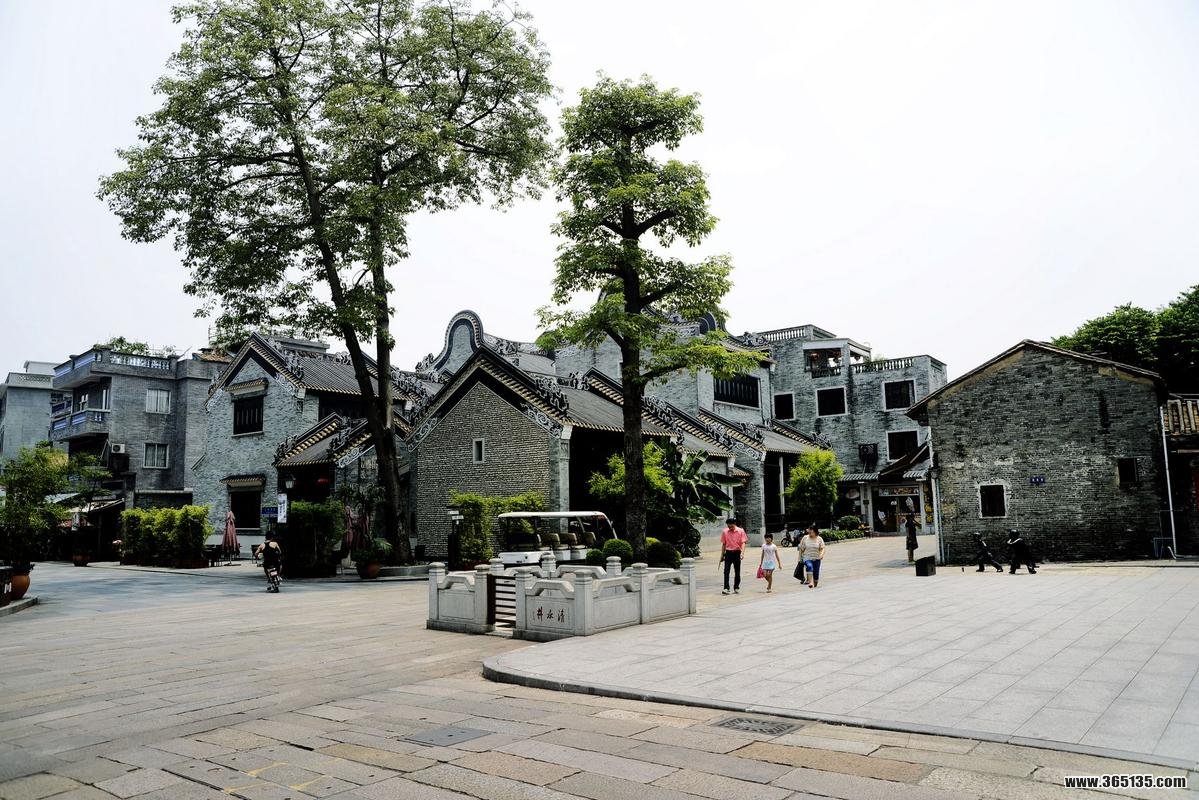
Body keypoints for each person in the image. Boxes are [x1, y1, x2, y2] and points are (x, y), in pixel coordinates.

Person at [719, 517, 748, 595]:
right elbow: (724, 544)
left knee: (737, 571)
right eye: (728, 526)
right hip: (728, 553)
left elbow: (743, 543)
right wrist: (722, 555)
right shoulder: (725, 532)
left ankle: (736, 587)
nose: (730, 527)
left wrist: (742, 553)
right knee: (726, 571)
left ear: (734, 524)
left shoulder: (741, 531)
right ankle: (726, 588)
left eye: (731, 526)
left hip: (737, 553)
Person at [798, 524, 826, 588]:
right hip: (807, 557)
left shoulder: (819, 539)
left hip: (817, 558)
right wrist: (799, 558)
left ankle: (815, 584)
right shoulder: (805, 538)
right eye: (809, 532)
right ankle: (810, 582)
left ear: (815, 532)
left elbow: (822, 548)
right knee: (809, 566)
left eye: (811, 532)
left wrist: (821, 555)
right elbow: (801, 549)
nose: (810, 533)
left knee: (816, 575)